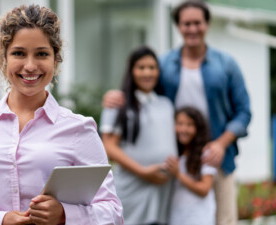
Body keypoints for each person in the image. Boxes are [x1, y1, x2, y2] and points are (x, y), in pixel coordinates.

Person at [0, 5, 123, 225]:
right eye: (18, 53)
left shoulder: (79, 129)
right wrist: (0, 220)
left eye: (42, 54)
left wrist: (65, 215)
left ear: (56, 59)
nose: (30, 65)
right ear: (3, 58)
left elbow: (113, 212)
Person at [102, 1, 251, 224]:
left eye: (197, 23)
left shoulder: (226, 64)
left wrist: (221, 144)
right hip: (176, 164)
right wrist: (114, 95)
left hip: (215, 159)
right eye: (186, 23)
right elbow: (142, 87)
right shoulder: (164, 64)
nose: (192, 29)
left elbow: (244, 112)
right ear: (178, 27)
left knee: (224, 219)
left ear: (207, 24)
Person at [100, 46, 177, 225]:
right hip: (132, 186)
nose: (147, 72)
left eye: (152, 67)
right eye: (141, 67)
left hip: (162, 187)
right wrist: (143, 171)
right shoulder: (119, 102)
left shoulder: (166, 104)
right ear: (132, 71)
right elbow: (109, 146)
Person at [166, 107, 217, 225]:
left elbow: (204, 189)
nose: (183, 129)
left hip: (199, 217)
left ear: (198, 128)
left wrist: (178, 174)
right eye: (180, 124)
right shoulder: (174, 152)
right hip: (177, 216)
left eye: (189, 125)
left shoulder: (206, 153)